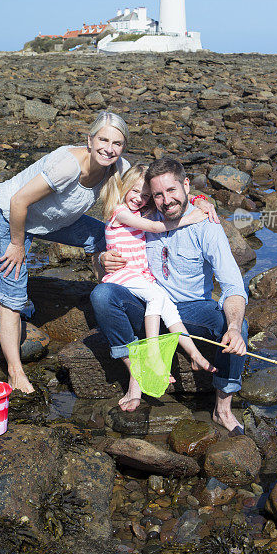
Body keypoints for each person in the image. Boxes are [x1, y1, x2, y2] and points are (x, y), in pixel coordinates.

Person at [92, 157, 248, 433]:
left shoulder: (206, 224)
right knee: (102, 294)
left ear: (186, 185)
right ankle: (138, 373)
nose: (166, 200)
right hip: (147, 308)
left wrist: (234, 327)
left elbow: (233, 285)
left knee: (236, 326)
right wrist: (102, 257)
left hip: (190, 311)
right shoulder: (145, 216)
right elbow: (109, 237)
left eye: (172, 191)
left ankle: (222, 409)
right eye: (158, 194)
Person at [0, 111, 131, 393]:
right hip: (9, 216)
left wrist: (197, 201)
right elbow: (18, 201)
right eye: (103, 139)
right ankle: (15, 373)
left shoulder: (118, 167)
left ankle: (106, 298)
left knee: (101, 235)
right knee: (13, 293)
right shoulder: (67, 166)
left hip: (53, 221)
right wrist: (17, 245)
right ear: (89, 140)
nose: (109, 148)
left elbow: (151, 187)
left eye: (117, 143)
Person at [101, 163, 216, 410]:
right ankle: (152, 355)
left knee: (167, 306)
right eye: (134, 191)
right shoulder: (119, 211)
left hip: (140, 276)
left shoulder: (142, 209)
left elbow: (175, 198)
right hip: (124, 275)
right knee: (155, 298)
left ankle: (195, 354)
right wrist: (191, 219)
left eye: (144, 196)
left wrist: (199, 199)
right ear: (123, 187)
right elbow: (155, 227)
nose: (139, 199)